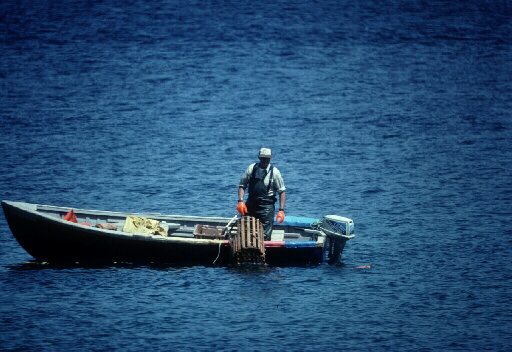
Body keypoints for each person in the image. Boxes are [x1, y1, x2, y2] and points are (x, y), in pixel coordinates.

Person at [237, 148, 286, 240]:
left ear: (271, 158)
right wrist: (240, 201)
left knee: (265, 235)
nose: (265, 160)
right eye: (263, 158)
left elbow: (281, 192)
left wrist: (281, 210)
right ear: (259, 158)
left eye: (267, 158)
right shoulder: (252, 169)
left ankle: (263, 249)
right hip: (251, 205)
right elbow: (242, 185)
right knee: (245, 230)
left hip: (266, 208)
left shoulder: (275, 173)